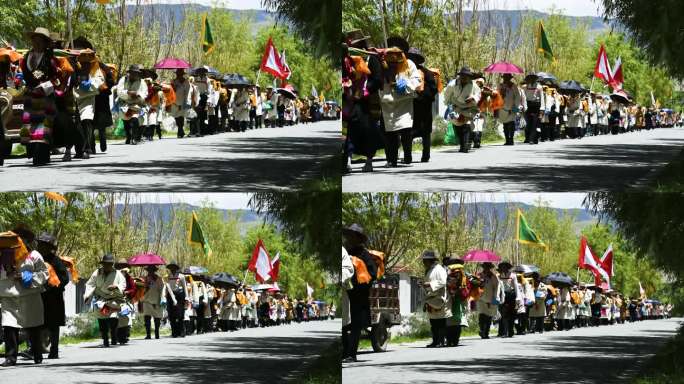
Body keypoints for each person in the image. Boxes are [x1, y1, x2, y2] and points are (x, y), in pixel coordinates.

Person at [0, 228, 49, 366]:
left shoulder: (34, 255)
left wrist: (25, 276)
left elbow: (44, 274)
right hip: (9, 295)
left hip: (29, 296)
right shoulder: (4, 254)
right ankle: (10, 357)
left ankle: (37, 353)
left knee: (33, 327)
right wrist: (7, 272)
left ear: (27, 241)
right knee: (9, 326)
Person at [342, 29, 385, 173]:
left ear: (362, 44)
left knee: (369, 132)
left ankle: (369, 160)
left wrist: (365, 91)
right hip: (350, 101)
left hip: (367, 103)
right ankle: (347, 159)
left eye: (357, 44)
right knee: (349, 131)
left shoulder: (371, 59)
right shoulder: (347, 59)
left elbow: (378, 80)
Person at [380, 37, 421, 166]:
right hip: (388, 102)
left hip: (404, 102)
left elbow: (416, 80)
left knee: (406, 131)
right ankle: (391, 159)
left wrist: (404, 85)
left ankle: (407, 156)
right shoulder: (382, 62)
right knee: (390, 133)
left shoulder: (409, 64)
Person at [342, 223, 377, 363]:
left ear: (357, 238)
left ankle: (352, 353)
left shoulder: (365, 254)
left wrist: (359, 280)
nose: (348, 238)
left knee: (355, 325)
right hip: (347, 294)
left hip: (359, 297)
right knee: (344, 325)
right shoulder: (346, 253)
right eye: (348, 235)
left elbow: (373, 274)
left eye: (351, 235)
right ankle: (345, 352)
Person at [36, 233, 68, 359]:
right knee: (38, 323)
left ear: (49, 247)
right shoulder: (36, 260)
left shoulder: (56, 261)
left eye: (43, 245)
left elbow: (64, 278)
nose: (40, 247)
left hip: (54, 298)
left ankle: (54, 349)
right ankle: (36, 348)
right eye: (40, 244)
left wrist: (52, 286)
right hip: (39, 296)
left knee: (53, 325)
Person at [83, 254, 126, 347]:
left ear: (112, 264)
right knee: (102, 320)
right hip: (101, 300)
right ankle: (105, 338)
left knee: (113, 319)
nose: (107, 266)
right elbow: (90, 284)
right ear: (102, 264)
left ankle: (114, 335)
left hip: (113, 300)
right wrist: (87, 295)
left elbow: (123, 285)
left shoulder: (118, 274)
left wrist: (115, 287)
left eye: (109, 264)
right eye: (105, 264)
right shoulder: (97, 272)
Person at [72, 49, 104, 159]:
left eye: (88, 58)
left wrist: (90, 83)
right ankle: (78, 150)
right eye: (83, 58)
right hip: (76, 99)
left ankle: (86, 148)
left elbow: (100, 81)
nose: (85, 60)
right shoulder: (74, 67)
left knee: (86, 121)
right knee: (77, 126)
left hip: (88, 100)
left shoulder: (95, 69)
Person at [407, 47, 437, 163]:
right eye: (410, 58)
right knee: (408, 133)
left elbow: (433, 89)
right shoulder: (405, 72)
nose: (411, 60)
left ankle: (426, 156)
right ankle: (407, 156)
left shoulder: (427, 73)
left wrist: (420, 96)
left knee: (425, 133)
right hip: (410, 108)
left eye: (414, 58)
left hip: (424, 108)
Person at [445, 67, 481, 153]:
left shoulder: (473, 85)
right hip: (456, 107)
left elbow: (478, 95)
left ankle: (465, 145)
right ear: (460, 76)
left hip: (468, 108)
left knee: (466, 126)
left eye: (467, 76)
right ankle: (462, 144)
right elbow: (447, 96)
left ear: (469, 77)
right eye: (463, 75)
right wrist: (449, 106)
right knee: (457, 126)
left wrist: (473, 98)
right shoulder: (452, 84)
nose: (465, 78)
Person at [421, 250, 449, 348]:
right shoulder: (429, 270)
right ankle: (435, 341)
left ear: (431, 260)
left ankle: (441, 341)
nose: (423, 263)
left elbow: (442, 282)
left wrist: (430, 284)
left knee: (440, 322)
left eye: (425, 261)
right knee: (433, 322)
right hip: (430, 299)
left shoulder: (439, 269)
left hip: (438, 299)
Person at [115, 64, 148, 145]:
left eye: (136, 73)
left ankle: (134, 138)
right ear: (130, 72)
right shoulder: (123, 80)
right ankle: (128, 136)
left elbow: (145, 93)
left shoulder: (142, 82)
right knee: (126, 122)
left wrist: (138, 95)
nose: (134, 74)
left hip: (136, 104)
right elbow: (119, 91)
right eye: (133, 73)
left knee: (135, 119)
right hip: (124, 104)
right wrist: (128, 93)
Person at [445, 260, 470, 347]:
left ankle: (455, 340)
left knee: (457, 323)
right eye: (455, 271)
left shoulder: (465, 278)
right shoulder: (448, 277)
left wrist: (460, 290)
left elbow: (467, 290)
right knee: (449, 321)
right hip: (450, 301)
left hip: (460, 302)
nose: (456, 273)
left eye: (458, 271)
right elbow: (447, 287)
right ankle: (449, 340)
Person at [495, 73, 522, 146]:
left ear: (510, 78)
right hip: (502, 108)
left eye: (507, 77)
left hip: (512, 107)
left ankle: (511, 139)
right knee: (505, 124)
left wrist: (515, 107)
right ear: (503, 78)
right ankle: (507, 139)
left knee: (511, 123)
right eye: (505, 77)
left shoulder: (513, 86)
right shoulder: (500, 86)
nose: (506, 79)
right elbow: (496, 95)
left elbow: (517, 97)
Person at [476, 262, 501, 339]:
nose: (486, 268)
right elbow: (475, 285)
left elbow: (497, 288)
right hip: (480, 298)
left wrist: (495, 298)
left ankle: (486, 332)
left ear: (490, 268)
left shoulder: (493, 277)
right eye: (485, 267)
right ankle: (482, 330)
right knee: (482, 315)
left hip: (490, 299)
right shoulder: (479, 275)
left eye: (487, 267)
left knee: (488, 316)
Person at [140, 265, 166, 339]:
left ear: (154, 270)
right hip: (146, 300)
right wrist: (145, 285)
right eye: (149, 270)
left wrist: (161, 300)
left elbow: (162, 289)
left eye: (152, 270)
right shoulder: (144, 279)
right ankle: (148, 334)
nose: (150, 271)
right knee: (147, 318)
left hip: (156, 301)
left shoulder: (159, 279)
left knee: (157, 318)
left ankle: (157, 333)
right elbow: (141, 289)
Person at [497, 261, 519, 338]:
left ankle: (511, 331)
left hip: (512, 295)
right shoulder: (499, 276)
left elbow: (516, 287)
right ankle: (505, 332)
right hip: (503, 295)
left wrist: (518, 297)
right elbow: (498, 287)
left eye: (505, 266)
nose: (504, 268)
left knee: (511, 314)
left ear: (508, 267)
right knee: (504, 314)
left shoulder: (513, 275)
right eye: (502, 267)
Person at [165, 260, 187, 338]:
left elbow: (185, 287)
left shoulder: (181, 276)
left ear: (176, 268)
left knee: (180, 314)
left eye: (173, 267)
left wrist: (187, 297)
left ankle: (182, 331)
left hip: (180, 296)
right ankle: (174, 332)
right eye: (171, 268)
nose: (172, 269)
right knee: (171, 315)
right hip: (171, 296)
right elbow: (168, 288)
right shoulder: (168, 277)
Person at [522, 72, 544, 144]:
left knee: (535, 122)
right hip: (527, 105)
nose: (531, 79)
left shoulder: (539, 87)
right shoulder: (525, 87)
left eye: (533, 78)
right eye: (530, 78)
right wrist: (522, 106)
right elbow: (523, 97)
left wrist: (542, 110)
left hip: (536, 105)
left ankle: (533, 138)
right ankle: (528, 137)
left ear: (535, 79)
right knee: (528, 122)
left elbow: (542, 99)